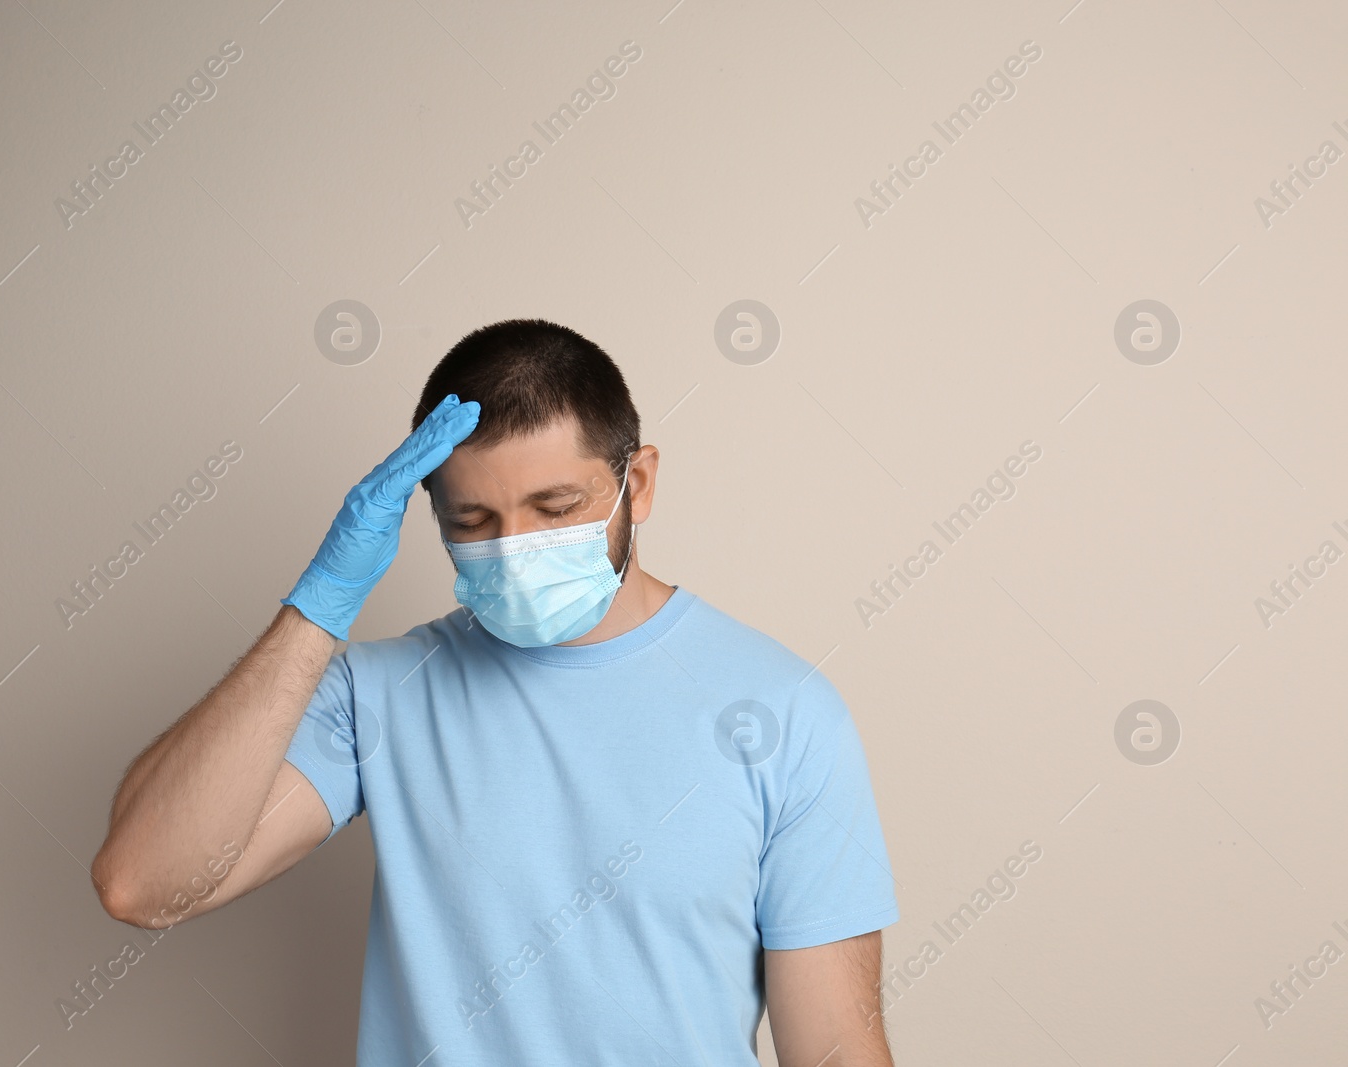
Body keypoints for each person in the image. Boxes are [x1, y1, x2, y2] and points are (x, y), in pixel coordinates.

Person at [91, 319, 901, 1065]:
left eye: (557, 507)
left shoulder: (782, 711)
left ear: (638, 483)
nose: (515, 550)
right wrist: (320, 604)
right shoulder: (381, 695)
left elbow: (834, 1046)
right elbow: (144, 883)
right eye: (473, 521)